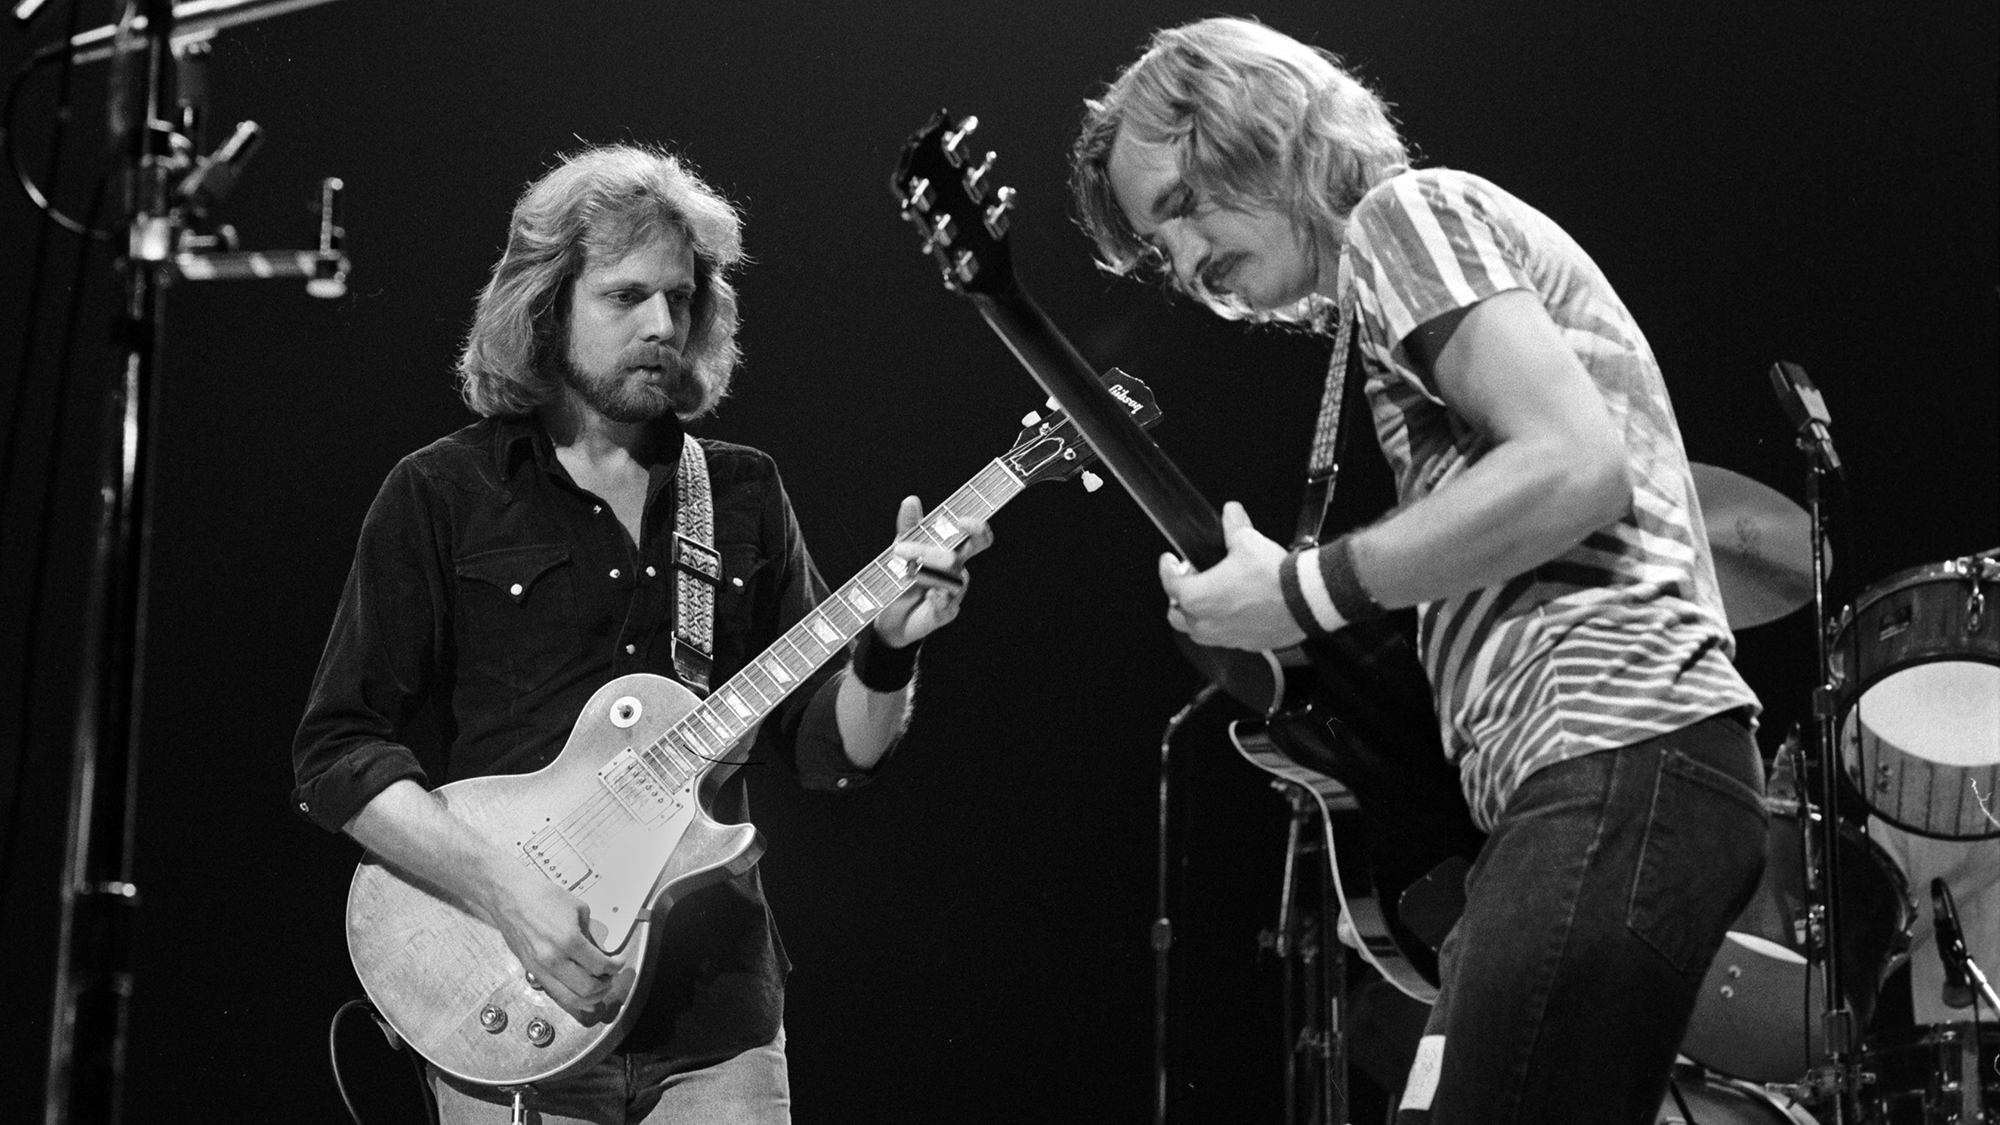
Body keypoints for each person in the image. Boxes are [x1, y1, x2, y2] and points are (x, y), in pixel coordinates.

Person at [1070, 18, 1766, 1124]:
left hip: (1613, 753)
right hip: (1596, 779)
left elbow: (1572, 465)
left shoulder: (1406, 216)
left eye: (1179, 209)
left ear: (1253, 128)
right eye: (1159, 255)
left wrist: (1297, 592)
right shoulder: (1398, 285)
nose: (1187, 268)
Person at [291, 143, 991, 1123]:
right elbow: (337, 756)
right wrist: (502, 891)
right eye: (625, 297)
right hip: (511, 1006)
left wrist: (889, 647)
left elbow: (835, 755)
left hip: (717, 1026)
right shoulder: (440, 493)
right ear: (545, 304)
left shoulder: (741, 490)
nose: (663, 325)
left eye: (680, 297)